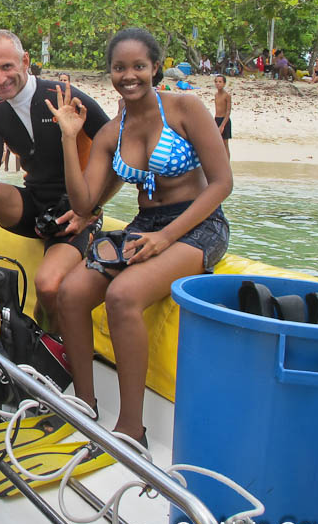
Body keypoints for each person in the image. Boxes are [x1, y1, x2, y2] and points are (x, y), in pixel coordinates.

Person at [49, 27, 232, 445]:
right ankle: (84, 405)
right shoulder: (112, 132)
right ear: (110, 73)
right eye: (119, 68)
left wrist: (166, 238)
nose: (128, 75)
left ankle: (132, 430)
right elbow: (83, 203)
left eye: (138, 66)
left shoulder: (185, 108)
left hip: (198, 225)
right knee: (71, 293)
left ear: (155, 68)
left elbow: (222, 184)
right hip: (144, 226)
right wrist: (68, 137)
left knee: (122, 295)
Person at [0, 29, 112, 323]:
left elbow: (122, 152)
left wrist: (91, 209)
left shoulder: (65, 98)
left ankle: (45, 345)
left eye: (7, 67)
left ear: (25, 60)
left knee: (48, 287)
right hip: (33, 205)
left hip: (75, 210)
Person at [214, 74, 232, 158]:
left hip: (225, 120)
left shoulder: (227, 96)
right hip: (217, 119)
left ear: (224, 84)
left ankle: (227, 166)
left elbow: (228, 112)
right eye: (216, 82)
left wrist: (222, 126)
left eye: (220, 82)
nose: (218, 83)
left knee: (225, 144)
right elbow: (216, 110)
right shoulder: (216, 95)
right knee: (217, 143)